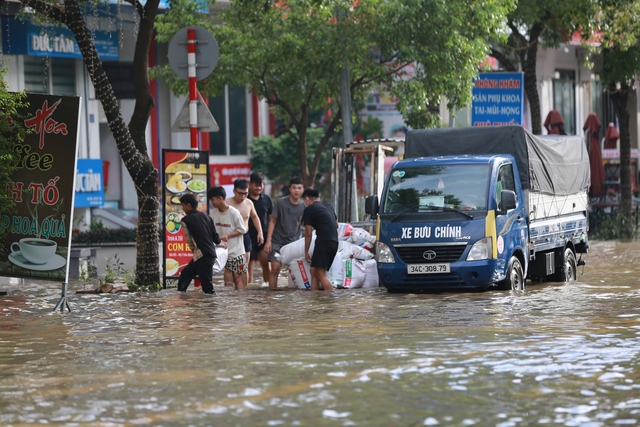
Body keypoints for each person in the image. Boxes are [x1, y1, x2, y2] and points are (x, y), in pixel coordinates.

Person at [264, 176, 305, 290]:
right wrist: (268, 241)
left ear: (302, 190)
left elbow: (305, 224)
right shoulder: (281, 202)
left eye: (299, 188)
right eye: (294, 188)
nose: (296, 190)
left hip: (294, 243)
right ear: (290, 189)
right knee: (275, 268)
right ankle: (272, 294)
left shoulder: (303, 205)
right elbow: (272, 221)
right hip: (277, 241)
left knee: (294, 271)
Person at [177, 193, 221, 295]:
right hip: (209, 254)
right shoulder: (207, 217)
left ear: (188, 205)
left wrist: (194, 252)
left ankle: (211, 307)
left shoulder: (185, 220)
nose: (183, 208)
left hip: (202, 255)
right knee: (185, 274)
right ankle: (180, 295)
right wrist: (220, 242)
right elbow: (215, 236)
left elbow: (189, 240)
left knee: (207, 288)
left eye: (183, 205)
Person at [225, 178, 263, 287]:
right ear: (234, 191)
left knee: (244, 265)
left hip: (245, 236)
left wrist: (260, 232)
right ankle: (228, 290)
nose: (242, 196)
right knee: (229, 266)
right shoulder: (227, 203)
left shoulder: (249, 203)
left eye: (245, 194)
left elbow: (255, 217)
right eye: (240, 194)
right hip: (230, 237)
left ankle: (243, 291)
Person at [208, 186, 248, 290]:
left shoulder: (233, 212)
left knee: (237, 277)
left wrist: (228, 236)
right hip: (222, 251)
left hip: (236, 251)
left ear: (220, 198)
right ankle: (229, 304)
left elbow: (242, 229)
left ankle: (241, 301)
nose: (212, 202)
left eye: (213, 200)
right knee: (227, 281)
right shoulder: (212, 214)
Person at [301, 187, 339, 291]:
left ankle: (330, 299)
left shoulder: (309, 209)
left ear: (307, 199)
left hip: (324, 241)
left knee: (320, 274)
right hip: (334, 242)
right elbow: (336, 224)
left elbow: (308, 233)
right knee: (314, 271)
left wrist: (306, 251)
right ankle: (315, 299)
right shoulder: (328, 206)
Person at [247, 172, 273, 286]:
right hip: (248, 237)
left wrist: (269, 240)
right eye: (256, 185)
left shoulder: (267, 200)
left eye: (260, 185)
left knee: (267, 265)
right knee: (248, 267)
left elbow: (272, 220)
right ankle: (248, 292)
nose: (258, 188)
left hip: (264, 237)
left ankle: (268, 289)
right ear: (250, 185)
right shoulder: (245, 199)